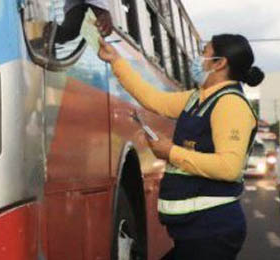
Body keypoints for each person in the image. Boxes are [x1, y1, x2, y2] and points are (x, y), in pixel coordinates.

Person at [97, 34, 265, 260]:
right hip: (196, 231)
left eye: (204, 52)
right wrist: (116, 60)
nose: (198, 58)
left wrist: (170, 152)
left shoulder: (231, 104)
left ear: (219, 63)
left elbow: (229, 167)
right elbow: (153, 99)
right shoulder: (198, 98)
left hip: (212, 231)